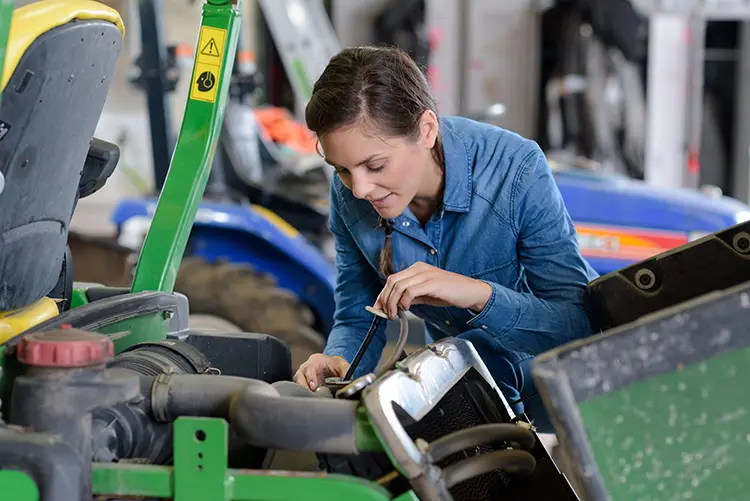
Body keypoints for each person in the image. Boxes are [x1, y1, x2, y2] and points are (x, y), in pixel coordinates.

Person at [293, 45, 599, 429]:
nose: (359, 190)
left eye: (375, 165)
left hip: (572, 409)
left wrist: (475, 294)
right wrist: (341, 362)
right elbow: (358, 315)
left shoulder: (516, 171)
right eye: (341, 169)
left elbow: (581, 329)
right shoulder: (352, 193)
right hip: (472, 404)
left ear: (426, 130)